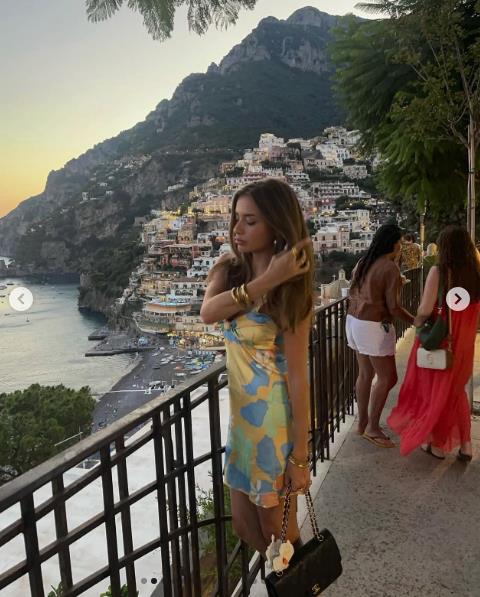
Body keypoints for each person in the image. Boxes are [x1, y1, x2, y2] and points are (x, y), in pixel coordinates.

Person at [200, 178, 314, 555]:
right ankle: (285, 577)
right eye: (236, 218)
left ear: (276, 225)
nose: (238, 229)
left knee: (278, 531)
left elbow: (298, 376)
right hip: (243, 423)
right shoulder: (229, 269)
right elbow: (207, 313)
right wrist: (266, 280)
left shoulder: (293, 292)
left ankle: (301, 582)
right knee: (245, 526)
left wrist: (300, 456)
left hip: (275, 426)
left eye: (250, 221)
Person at [388, 225, 480, 460]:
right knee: (456, 391)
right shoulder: (475, 272)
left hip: (442, 340)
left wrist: (418, 323)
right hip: (464, 342)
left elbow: (425, 309)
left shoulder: (439, 272)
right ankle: (466, 445)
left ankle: (438, 444)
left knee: (436, 393)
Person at [347, 224, 415, 448]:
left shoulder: (363, 262)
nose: (401, 247)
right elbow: (394, 307)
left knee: (365, 374)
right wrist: (416, 321)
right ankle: (373, 428)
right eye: (400, 243)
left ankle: (362, 423)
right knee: (388, 378)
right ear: (394, 244)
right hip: (374, 325)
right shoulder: (389, 267)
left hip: (354, 321)